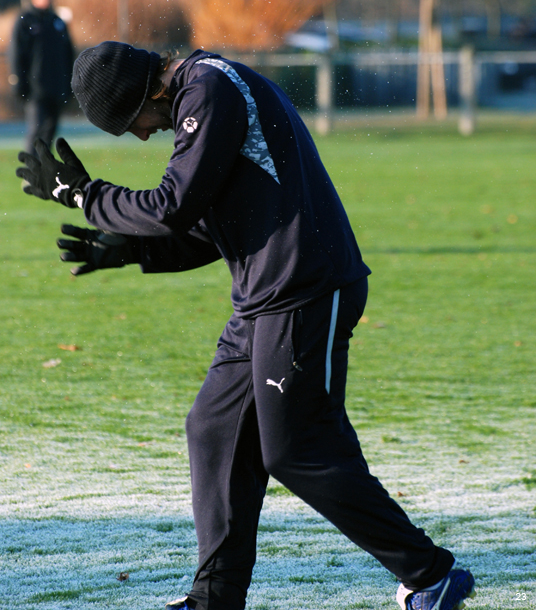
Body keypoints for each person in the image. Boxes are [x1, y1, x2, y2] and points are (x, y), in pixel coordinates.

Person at [15, 42, 476, 610]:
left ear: (143, 95)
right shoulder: (206, 91)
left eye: (130, 123)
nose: (139, 136)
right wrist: (132, 252)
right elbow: (211, 227)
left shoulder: (208, 90)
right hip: (265, 298)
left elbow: (171, 205)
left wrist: (85, 195)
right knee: (213, 428)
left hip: (306, 290)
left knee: (299, 449)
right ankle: (215, 600)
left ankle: (430, 574)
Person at [9, 0, 75, 154]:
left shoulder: (57, 21)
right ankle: (30, 176)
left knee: (50, 133)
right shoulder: (25, 20)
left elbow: (68, 54)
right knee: (36, 133)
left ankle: (44, 174)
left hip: (56, 87)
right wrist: (19, 83)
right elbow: (16, 54)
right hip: (36, 89)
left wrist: (69, 83)